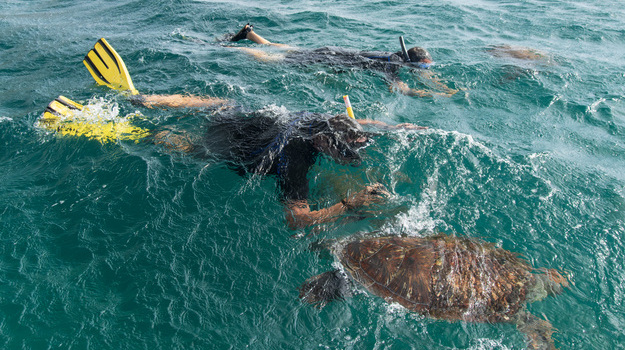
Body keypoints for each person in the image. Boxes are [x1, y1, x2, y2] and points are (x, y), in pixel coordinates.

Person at [51, 38, 428, 229]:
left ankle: (147, 100)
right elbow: (296, 220)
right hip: (239, 149)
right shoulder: (299, 159)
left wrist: (395, 128)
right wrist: (351, 203)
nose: (345, 155)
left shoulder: (321, 119)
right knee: (189, 147)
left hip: (251, 121)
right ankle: (135, 132)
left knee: (219, 103)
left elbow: (357, 128)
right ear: (324, 145)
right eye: (342, 152)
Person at [226, 23, 459, 98]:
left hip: (333, 51)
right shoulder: (393, 65)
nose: (426, 70)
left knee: (290, 49)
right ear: (413, 62)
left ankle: (250, 34)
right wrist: (440, 94)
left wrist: (441, 85)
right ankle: (233, 50)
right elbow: (402, 90)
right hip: (330, 58)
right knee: (276, 61)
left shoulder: (393, 57)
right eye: (424, 66)